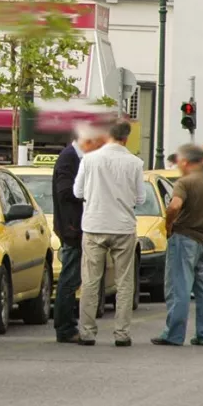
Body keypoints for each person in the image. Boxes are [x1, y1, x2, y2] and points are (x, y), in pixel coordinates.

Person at [73, 120, 146, 347]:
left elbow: (77, 191)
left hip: (94, 225)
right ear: (126, 138)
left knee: (90, 281)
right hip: (123, 227)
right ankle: (122, 333)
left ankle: (87, 332)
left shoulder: (89, 159)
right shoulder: (135, 163)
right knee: (124, 282)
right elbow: (141, 198)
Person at [151, 145, 203, 347]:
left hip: (184, 237)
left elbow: (174, 205)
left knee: (179, 286)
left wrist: (169, 224)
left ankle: (174, 334)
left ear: (185, 162)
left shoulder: (185, 182)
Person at [52, 125, 106, 344]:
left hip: (76, 225)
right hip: (72, 227)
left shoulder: (76, 157)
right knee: (70, 278)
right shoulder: (69, 159)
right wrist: (88, 194)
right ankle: (65, 327)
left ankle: (67, 324)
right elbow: (65, 192)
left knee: (74, 277)